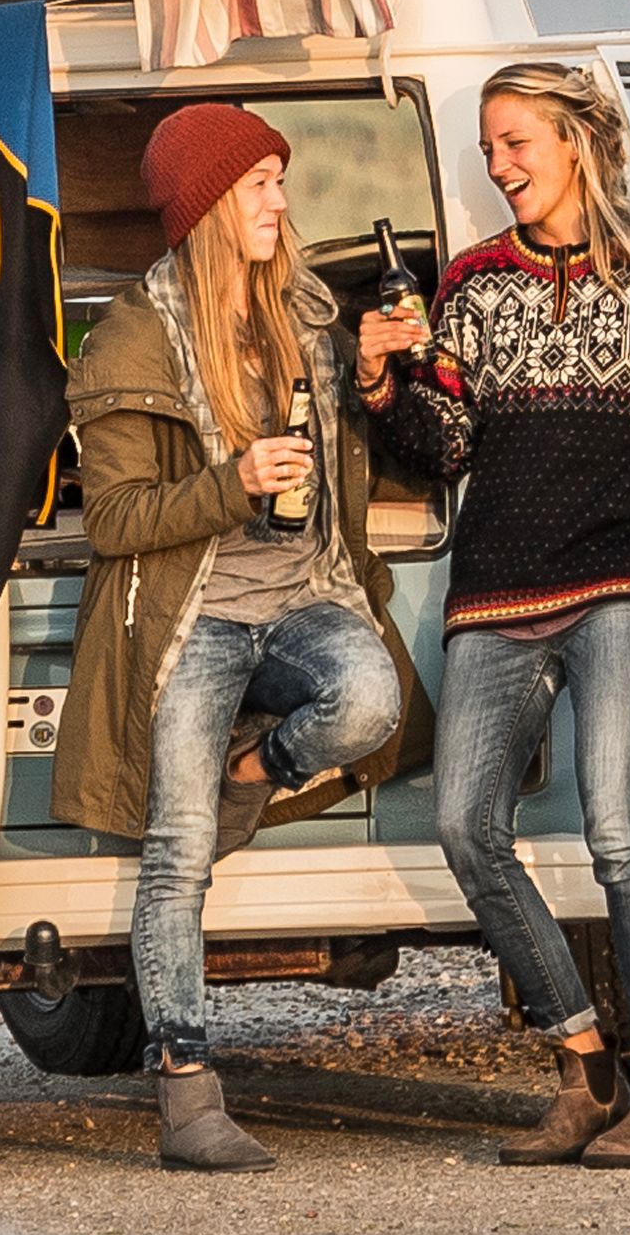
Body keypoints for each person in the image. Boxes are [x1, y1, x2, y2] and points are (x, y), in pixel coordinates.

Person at [365, 64, 630, 1166]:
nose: (498, 166)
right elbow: (443, 446)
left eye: (514, 142)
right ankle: (582, 1059)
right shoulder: (473, 281)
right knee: (464, 826)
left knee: (621, 830)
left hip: (627, 579)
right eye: (488, 149)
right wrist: (380, 385)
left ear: (577, 140)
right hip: (498, 584)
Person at [52, 101, 422, 1171]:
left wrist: (369, 370)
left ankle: (251, 764)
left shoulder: (303, 307)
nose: (280, 199)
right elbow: (116, 521)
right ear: (210, 204)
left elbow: (350, 442)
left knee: (369, 700)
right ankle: (187, 1090)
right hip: (190, 616)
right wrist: (232, 482)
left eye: (277, 179)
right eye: (260, 182)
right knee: (176, 852)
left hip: (304, 594)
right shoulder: (129, 337)